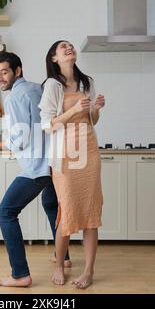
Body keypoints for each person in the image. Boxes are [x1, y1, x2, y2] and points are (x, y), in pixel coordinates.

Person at [0, 52, 70, 288]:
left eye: (4, 72)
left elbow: (20, 139)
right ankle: (63, 256)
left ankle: (20, 274)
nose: (0, 78)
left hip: (36, 167)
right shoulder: (37, 88)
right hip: (54, 162)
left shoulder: (14, 97)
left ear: (17, 71)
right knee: (51, 204)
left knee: (5, 212)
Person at [39, 40, 106, 289]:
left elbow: (91, 121)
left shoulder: (86, 82)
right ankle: (59, 264)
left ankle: (88, 271)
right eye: (62, 47)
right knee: (66, 210)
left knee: (90, 213)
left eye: (70, 45)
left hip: (88, 153)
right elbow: (47, 125)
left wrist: (96, 109)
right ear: (54, 58)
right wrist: (74, 108)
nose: (69, 48)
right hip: (65, 156)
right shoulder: (52, 86)